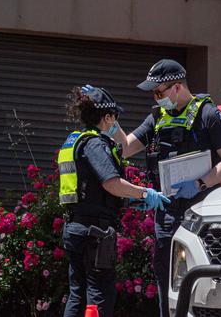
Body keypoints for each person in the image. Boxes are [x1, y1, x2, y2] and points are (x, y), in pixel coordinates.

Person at [113, 59, 221, 317]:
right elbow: (126, 147)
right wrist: (109, 120)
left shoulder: (208, 115)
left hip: (201, 208)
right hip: (168, 211)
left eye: (159, 92)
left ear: (177, 87)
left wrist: (199, 183)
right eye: (153, 93)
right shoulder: (157, 117)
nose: (156, 97)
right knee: (164, 271)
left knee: (200, 273)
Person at [60, 85, 171, 317]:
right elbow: (111, 183)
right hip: (95, 233)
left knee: (78, 294)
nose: (116, 123)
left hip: (76, 226)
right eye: (115, 117)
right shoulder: (96, 144)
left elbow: (89, 190)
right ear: (107, 116)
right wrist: (145, 193)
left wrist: (129, 201)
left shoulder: (75, 141)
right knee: (99, 294)